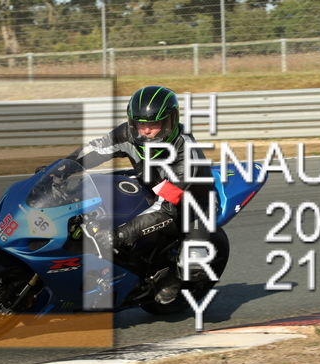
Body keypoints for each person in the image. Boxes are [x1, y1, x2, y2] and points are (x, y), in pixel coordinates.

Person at [66, 85, 214, 304]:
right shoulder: (128, 134)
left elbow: (166, 208)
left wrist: (120, 235)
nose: (145, 131)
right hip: (150, 185)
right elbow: (94, 150)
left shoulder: (186, 155)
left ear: (171, 121)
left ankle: (175, 278)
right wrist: (62, 168)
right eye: (140, 124)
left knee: (194, 264)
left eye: (154, 124)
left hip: (192, 203)